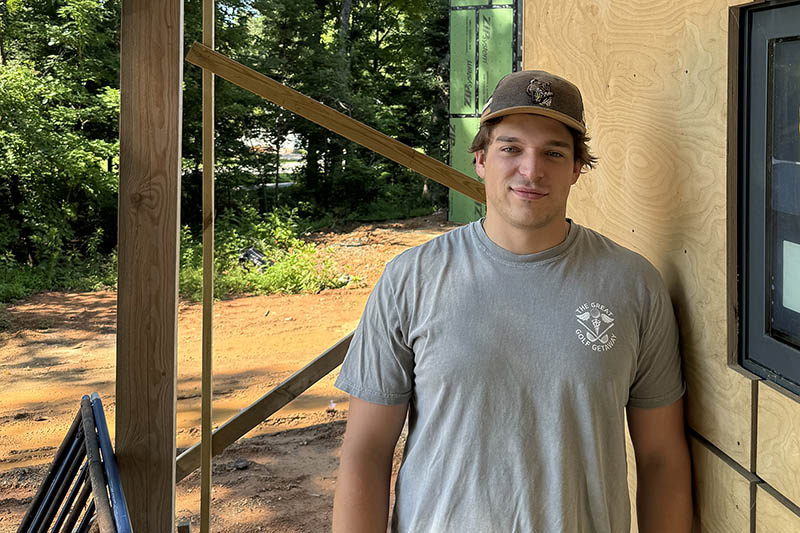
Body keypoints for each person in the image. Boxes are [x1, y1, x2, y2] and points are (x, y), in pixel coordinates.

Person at [332, 70, 692, 532]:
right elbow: (366, 452)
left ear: (576, 168)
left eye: (554, 153)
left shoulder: (633, 284)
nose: (531, 169)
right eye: (511, 148)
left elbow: (662, 457)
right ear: (481, 159)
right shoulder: (412, 279)